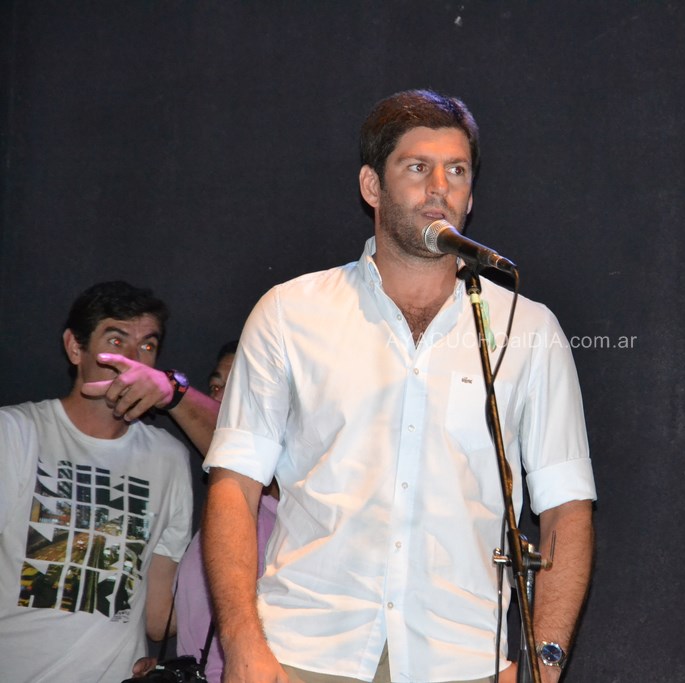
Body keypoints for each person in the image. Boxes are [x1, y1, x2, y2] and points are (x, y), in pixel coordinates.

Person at [203, 89, 596, 683]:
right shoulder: (290, 312)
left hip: (461, 660)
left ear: (471, 194)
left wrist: (543, 664)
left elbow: (568, 509)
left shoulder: (527, 329)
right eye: (417, 167)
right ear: (371, 186)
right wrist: (242, 645)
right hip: (305, 652)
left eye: (456, 171)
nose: (439, 187)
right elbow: (234, 485)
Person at [0, 280, 220, 682]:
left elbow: (159, 617)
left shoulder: (167, 458)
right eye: (116, 341)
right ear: (75, 347)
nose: (133, 362)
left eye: (147, 346)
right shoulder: (14, 433)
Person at [169, 342, 279, 683]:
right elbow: (167, 624)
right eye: (216, 386)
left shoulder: (281, 511)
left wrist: (171, 392)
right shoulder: (219, 514)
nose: (222, 398)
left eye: (238, 389)